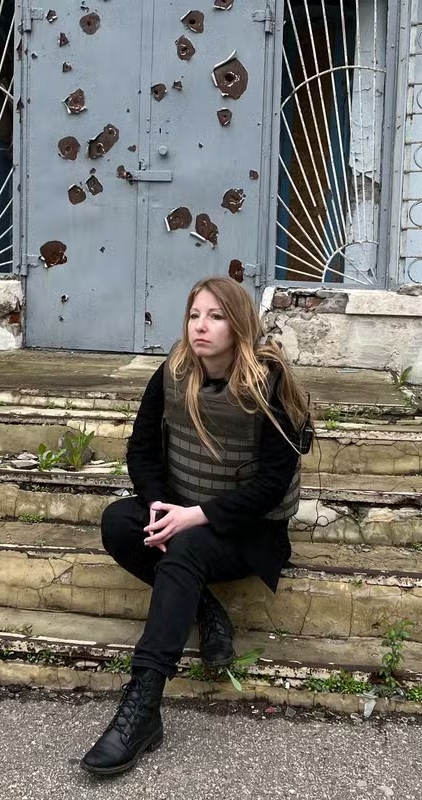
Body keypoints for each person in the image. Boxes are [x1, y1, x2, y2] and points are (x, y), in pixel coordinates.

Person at [80, 276, 312, 776]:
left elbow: (273, 484)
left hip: (247, 531)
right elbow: (140, 450)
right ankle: (207, 611)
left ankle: (142, 706)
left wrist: (195, 517)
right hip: (183, 513)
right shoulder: (173, 372)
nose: (201, 327)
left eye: (216, 316)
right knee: (120, 522)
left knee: (183, 552)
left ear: (240, 324)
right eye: (194, 316)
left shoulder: (270, 383)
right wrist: (162, 506)